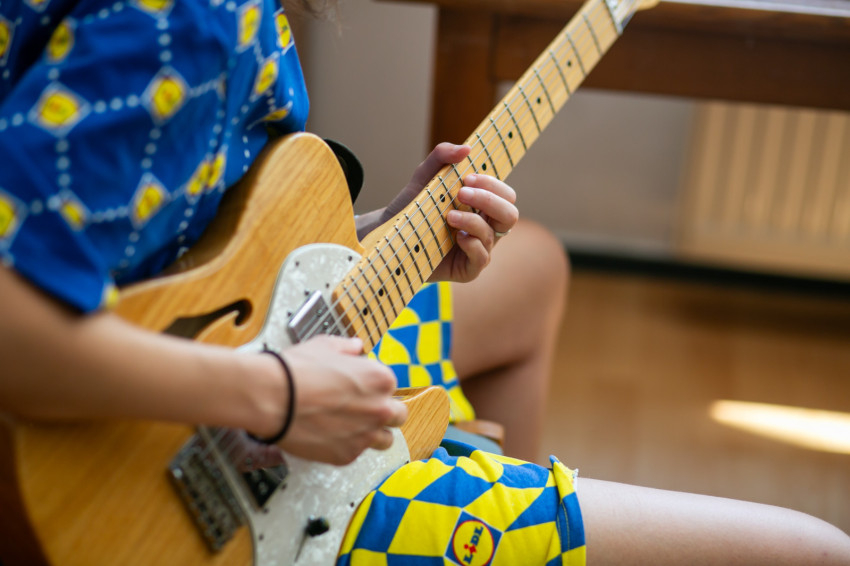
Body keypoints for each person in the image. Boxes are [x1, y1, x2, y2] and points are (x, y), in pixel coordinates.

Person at [0, 1, 848, 565]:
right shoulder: (190, 18)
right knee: (813, 551)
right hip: (195, 455)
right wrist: (279, 394)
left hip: (211, 335)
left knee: (534, 267)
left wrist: (378, 231)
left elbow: (172, 225)